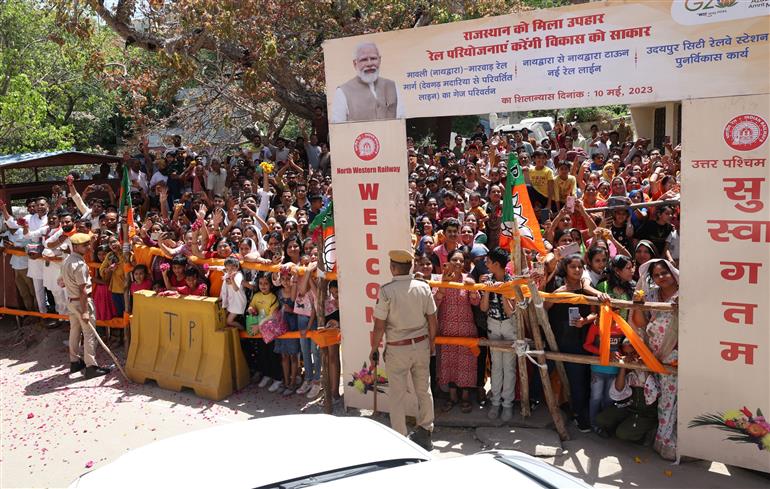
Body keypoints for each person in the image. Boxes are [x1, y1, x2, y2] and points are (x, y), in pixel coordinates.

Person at [370, 249, 437, 450]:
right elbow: (432, 320)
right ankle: (426, 431)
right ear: (410, 267)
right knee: (424, 390)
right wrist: (431, 343)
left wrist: (374, 349)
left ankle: (400, 437)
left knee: (397, 395)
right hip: (421, 344)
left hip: (398, 349)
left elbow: (379, 326)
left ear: (393, 267)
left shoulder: (386, 291)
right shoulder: (423, 287)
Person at [632, 259, 679, 461]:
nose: (661, 277)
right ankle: (663, 440)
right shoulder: (651, 295)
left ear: (673, 272)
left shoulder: (685, 294)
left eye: (664, 273)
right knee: (665, 400)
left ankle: (668, 441)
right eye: (656, 275)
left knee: (673, 400)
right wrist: (638, 304)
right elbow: (641, 323)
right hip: (654, 356)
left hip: (676, 356)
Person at [433, 249, 479, 414]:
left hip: (466, 329)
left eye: (461, 260)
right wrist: (443, 286)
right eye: (454, 260)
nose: (458, 263)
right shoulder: (438, 279)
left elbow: (476, 302)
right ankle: (452, 397)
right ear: (448, 261)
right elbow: (434, 303)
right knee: (449, 363)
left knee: (465, 364)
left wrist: (472, 289)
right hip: (446, 329)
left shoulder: (468, 279)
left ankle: (465, 397)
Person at [61, 233, 111, 379]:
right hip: (82, 301)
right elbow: (83, 290)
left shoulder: (67, 260)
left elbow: (61, 281)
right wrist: (85, 311)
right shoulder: (79, 264)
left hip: (72, 300)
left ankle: (75, 362)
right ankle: (91, 367)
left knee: (74, 331)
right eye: (85, 245)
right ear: (76, 247)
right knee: (89, 334)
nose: (88, 247)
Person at [480, 247, 517, 421]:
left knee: (508, 366)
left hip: (509, 325)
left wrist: (503, 291)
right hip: (493, 324)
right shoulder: (487, 281)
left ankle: (507, 404)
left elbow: (511, 312)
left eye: (488, 261)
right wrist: (488, 291)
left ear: (496, 264)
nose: (486, 264)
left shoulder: (513, 282)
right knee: (496, 365)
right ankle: (495, 402)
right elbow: (483, 308)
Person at [330, 42, 403, 123]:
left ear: (379, 60)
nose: (369, 64)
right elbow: (338, 127)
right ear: (355, 63)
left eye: (373, 58)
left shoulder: (392, 86)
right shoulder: (342, 92)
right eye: (364, 60)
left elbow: (401, 122)